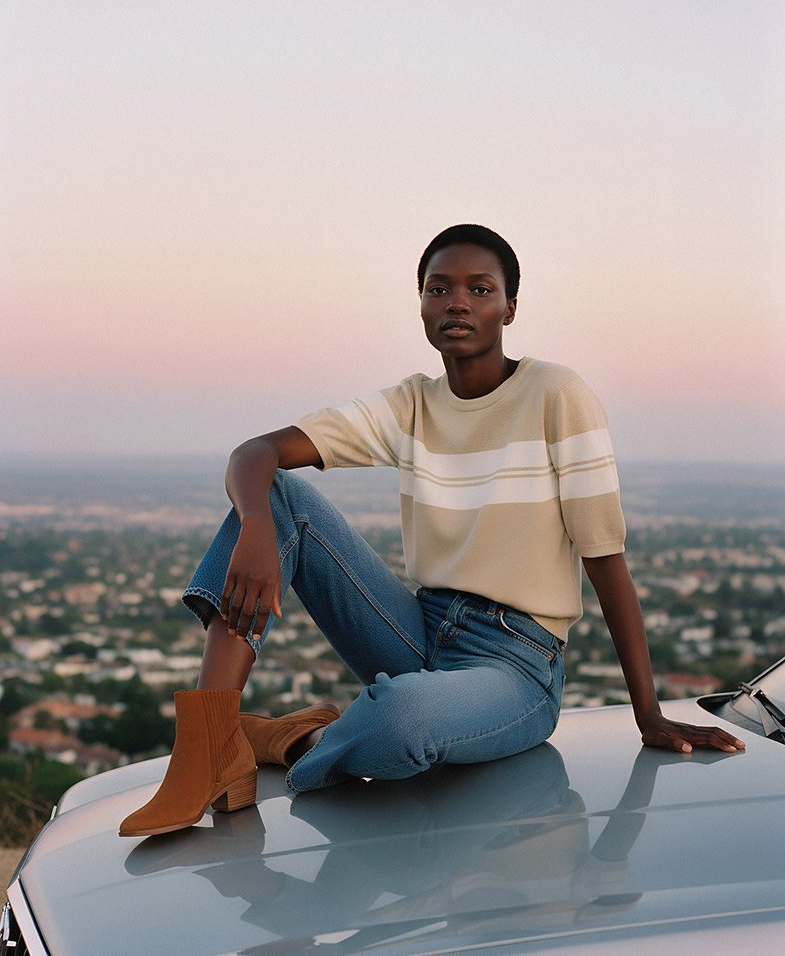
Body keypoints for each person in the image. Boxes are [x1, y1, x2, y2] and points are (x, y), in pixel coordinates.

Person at [119, 224, 745, 838]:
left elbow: (605, 560)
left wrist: (649, 715)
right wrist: (257, 525)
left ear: (510, 308)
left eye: (480, 289)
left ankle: (296, 740)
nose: (457, 303)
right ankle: (206, 748)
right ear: (420, 305)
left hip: (517, 666)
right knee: (280, 496)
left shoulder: (556, 393)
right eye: (439, 289)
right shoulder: (412, 404)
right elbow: (257, 452)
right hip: (418, 627)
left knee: (402, 719)